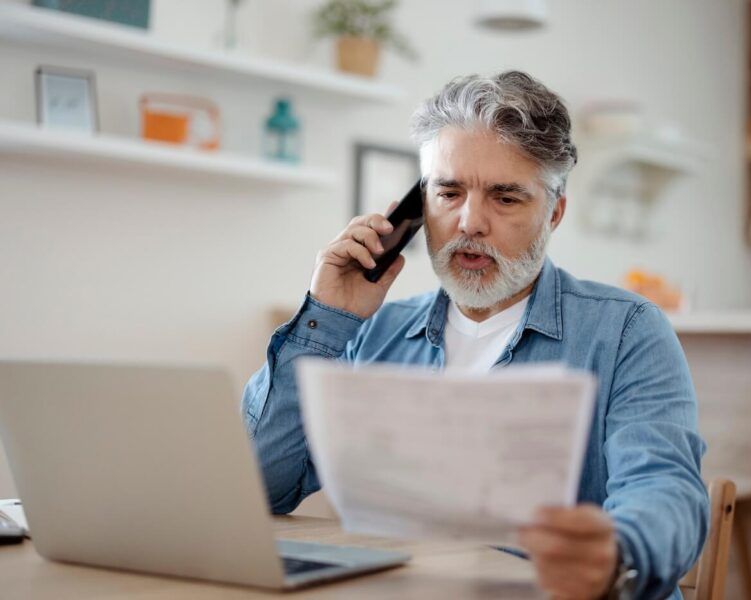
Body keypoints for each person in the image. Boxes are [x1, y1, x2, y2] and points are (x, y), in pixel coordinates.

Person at [242, 70, 709, 600]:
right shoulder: (375, 335)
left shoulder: (626, 330)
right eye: (448, 192)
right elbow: (256, 488)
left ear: (553, 212)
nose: (469, 223)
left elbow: (665, 491)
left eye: (505, 198)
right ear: (420, 207)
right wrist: (327, 318)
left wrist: (616, 556)